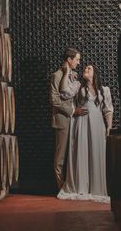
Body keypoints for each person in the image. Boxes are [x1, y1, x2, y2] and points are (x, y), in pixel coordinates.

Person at [57, 64, 113, 203]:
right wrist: (66, 73)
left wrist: (109, 127)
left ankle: (96, 188)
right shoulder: (77, 86)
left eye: (89, 69)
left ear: (95, 74)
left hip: (97, 125)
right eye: (85, 68)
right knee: (81, 153)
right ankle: (80, 186)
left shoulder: (104, 90)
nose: (85, 70)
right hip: (81, 124)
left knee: (96, 153)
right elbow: (64, 92)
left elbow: (108, 110)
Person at [49, 48, 88, 190]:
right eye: (77, 59)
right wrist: (72, 111)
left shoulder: (76, 75)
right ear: (69, 60)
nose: (78, 62)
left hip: (76, 120)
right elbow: (54, 100)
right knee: (61, 156)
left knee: (73, 154)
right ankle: (60, 187)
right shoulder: (57, 75)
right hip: (63, 120)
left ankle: (71, 184)